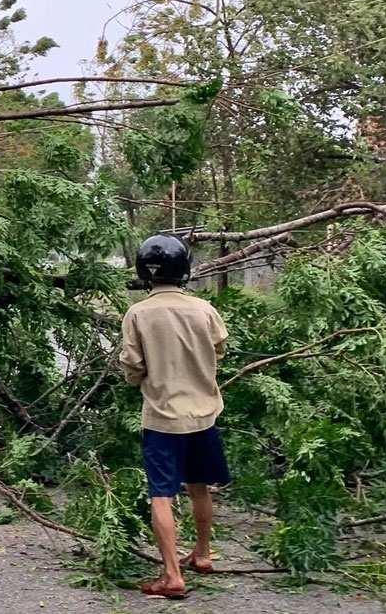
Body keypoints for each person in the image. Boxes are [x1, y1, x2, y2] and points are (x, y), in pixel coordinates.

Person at [120, 234, 231, 600]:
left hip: (162, 418)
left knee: (161, 495)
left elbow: (132, 368)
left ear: (145, 272)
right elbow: (220, 350)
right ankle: (201, 554)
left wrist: (146, 377)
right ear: (184, 270)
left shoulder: (137, 314)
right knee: (199, 485)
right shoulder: (204, 310)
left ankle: (171, 575)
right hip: (203, 415)